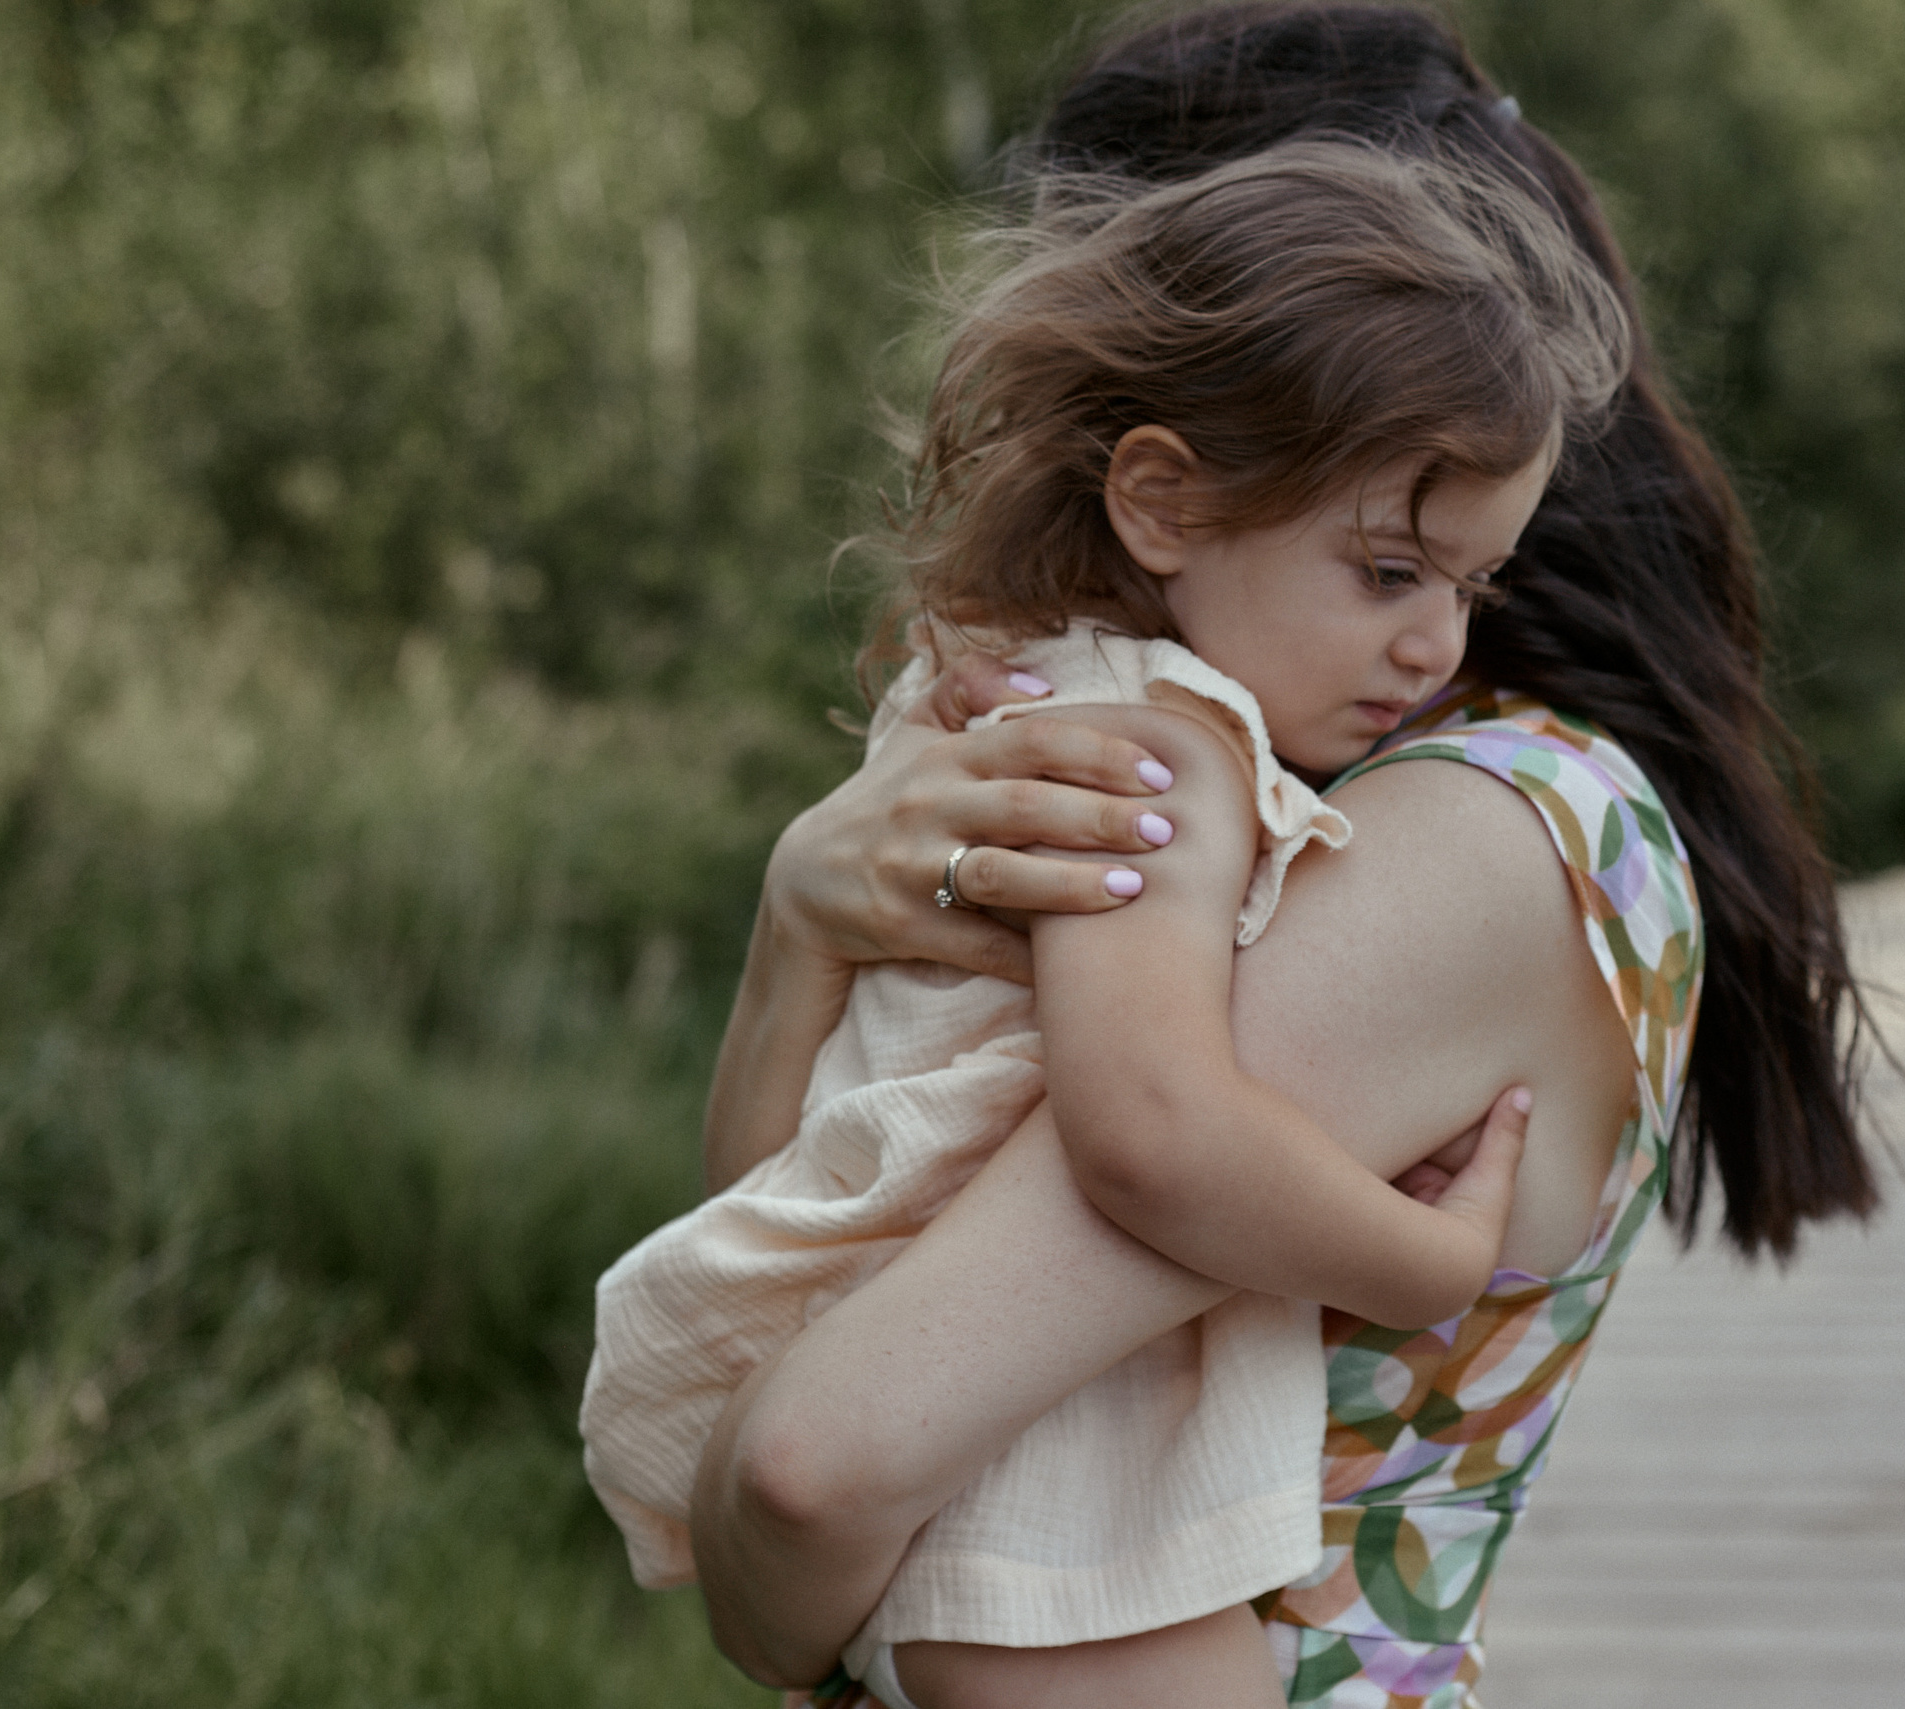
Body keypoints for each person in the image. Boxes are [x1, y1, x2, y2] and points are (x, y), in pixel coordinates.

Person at [690, 7, 1879, 1706]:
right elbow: (789, 1249)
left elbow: (806, 1453)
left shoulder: (1471, 831)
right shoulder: (1230, 749)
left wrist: (765, 1607)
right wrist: (803, 927)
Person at [585, 136, 1634, 1708]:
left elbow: (775, 1194)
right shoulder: (1160, 755)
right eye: (1390, 566)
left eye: (1473, 585)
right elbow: (1148, 1131)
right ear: (1161, 500)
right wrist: (1424, 1258)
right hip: (1069, 1545)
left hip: (947, 1542)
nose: (1434, 642)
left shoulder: (966, 714)